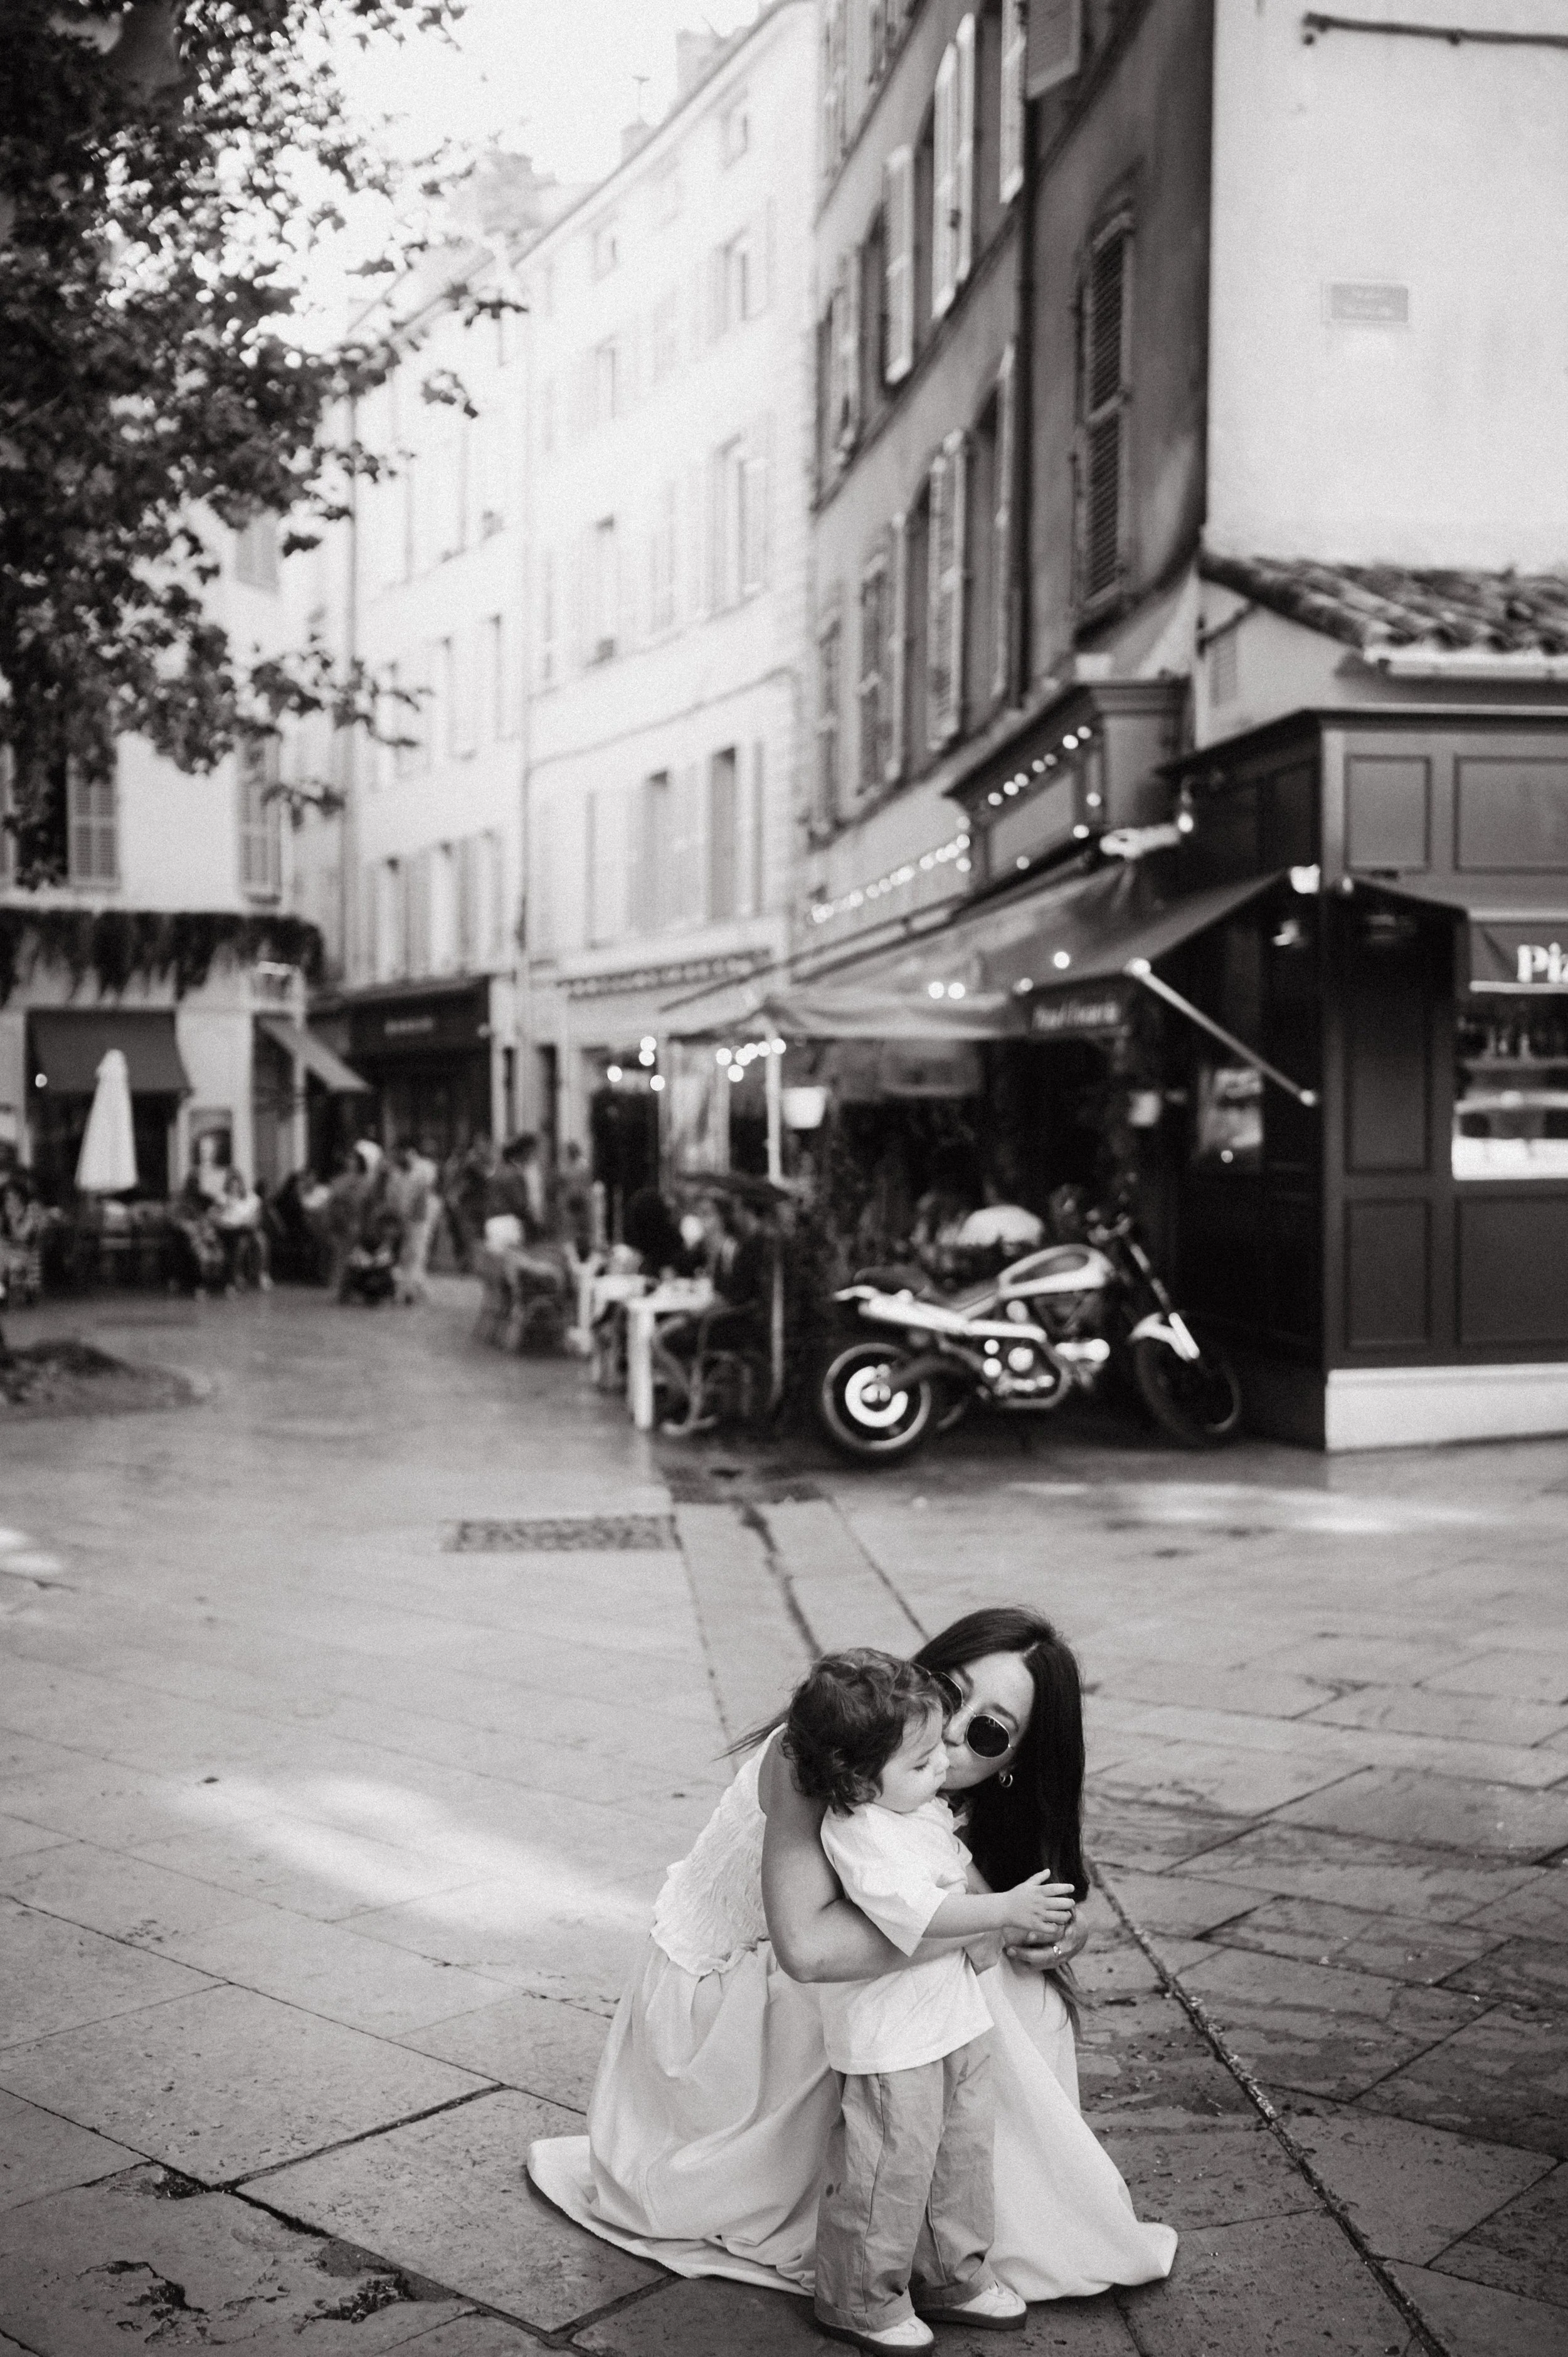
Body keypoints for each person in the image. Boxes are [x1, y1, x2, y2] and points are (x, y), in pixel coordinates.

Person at [528, 1607, 1175, 2307]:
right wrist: (981, 1924)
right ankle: (942, 2244)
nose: (955, 1732)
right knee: (953, 1977)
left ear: (1015, 1765)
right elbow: (806, 1948)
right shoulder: (820, 1753)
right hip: (716, 2017)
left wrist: (1052, 1926)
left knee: (1019, 1986)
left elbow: (979, 1895)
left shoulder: (929, 1784)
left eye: (990, 1731)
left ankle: (966, 2227)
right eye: (951, 1693)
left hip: (794, 1989)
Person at [788, 1651, 1059, 2351]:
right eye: (918, 1762)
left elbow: (953, 1862)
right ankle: (858, 2296)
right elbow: (919, 1913)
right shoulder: (861, 1830)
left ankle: (952, 2271)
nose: (941, 1764)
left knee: (961, 2151)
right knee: (887, 2165)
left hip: (953, 2018)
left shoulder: (915, 1805)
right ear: (855, 1779)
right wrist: (1002, 1909)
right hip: (892, 2036)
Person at [389, 1139, 439, 1303]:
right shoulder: (395, 1173)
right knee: (406, 1255)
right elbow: (393, 1199)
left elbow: (426, 1194)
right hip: (403, 1219)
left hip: (420, 1219)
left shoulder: (425, 1168)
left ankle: (409, 1291)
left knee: (417, 1253)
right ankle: (416, 1289)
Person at [214, 1167, 270, 1293]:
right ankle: (236, 1276)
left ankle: (261, 1273)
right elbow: (218, 1218)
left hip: (249, 1229)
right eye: (231, 1184)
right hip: (232, 1231)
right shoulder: (223, 1198)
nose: (234, 1187)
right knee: (241, 1244)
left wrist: (252, 1221)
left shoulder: (250, 1198)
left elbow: (257, 1215)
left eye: (237, 1184)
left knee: (261, 1240)